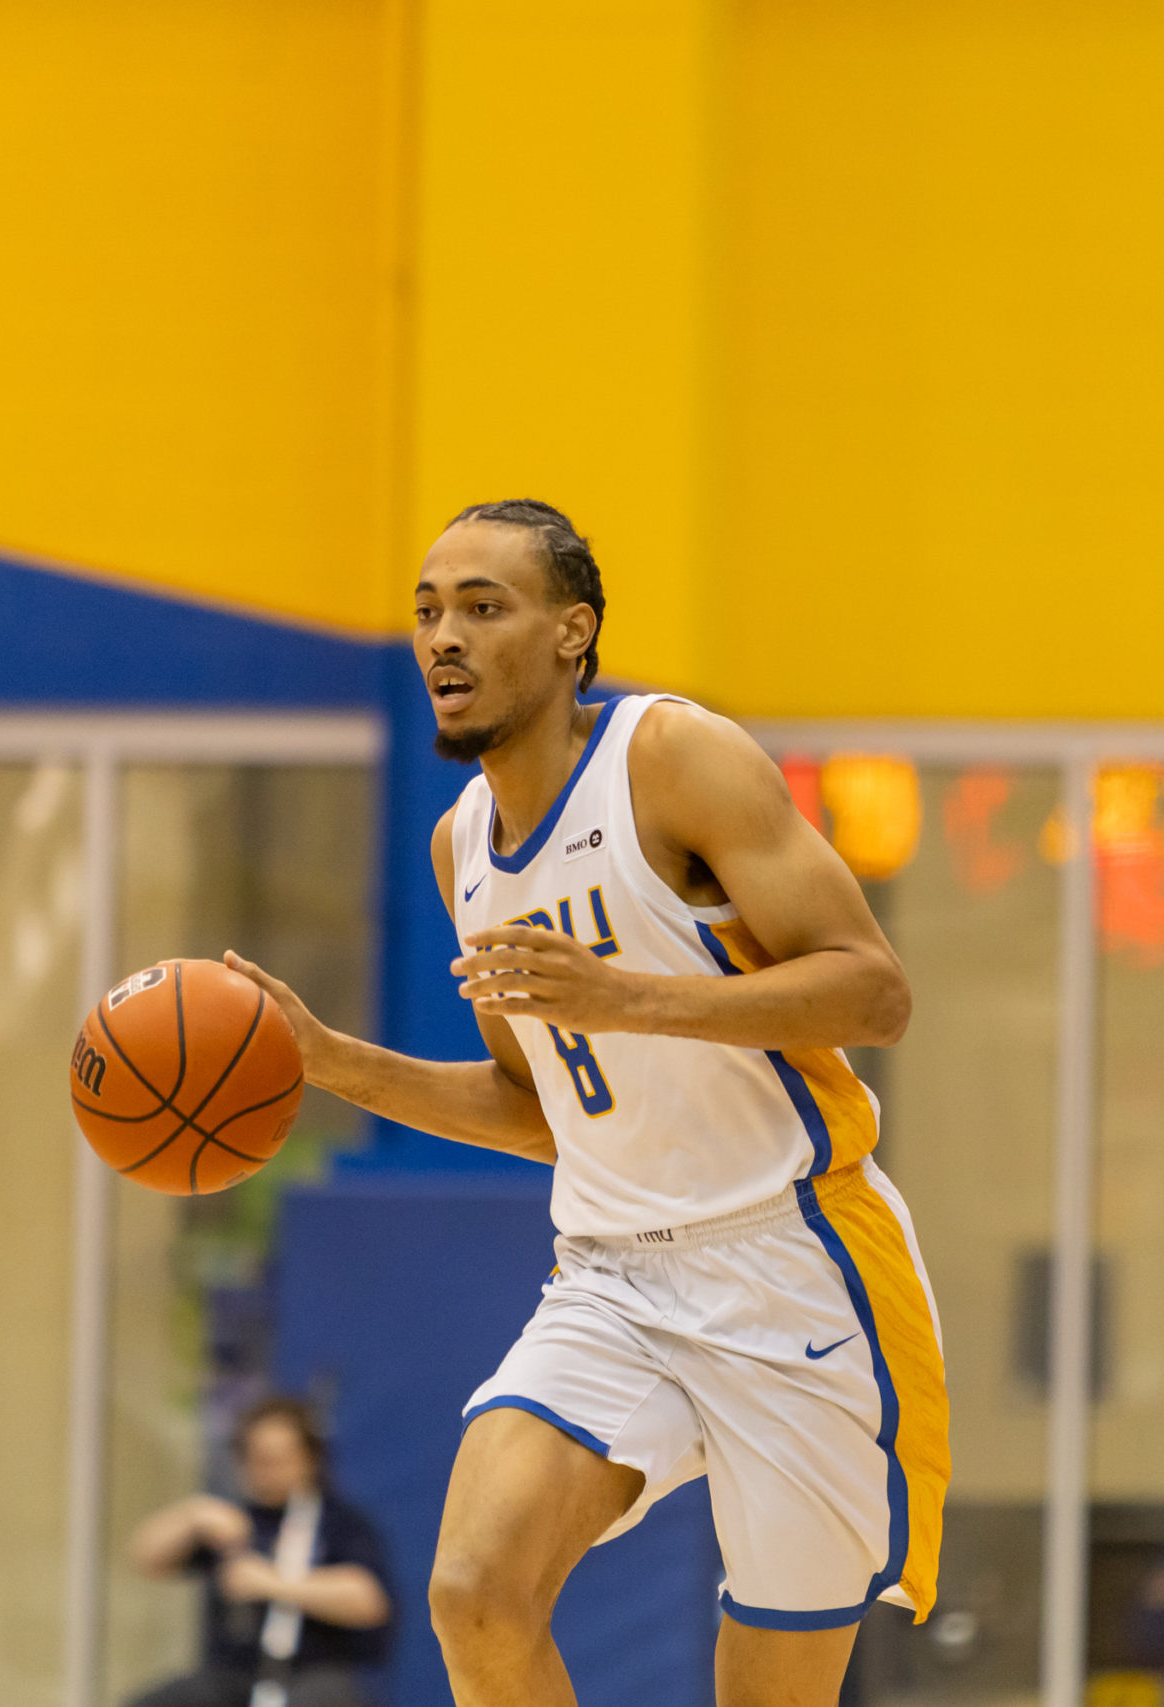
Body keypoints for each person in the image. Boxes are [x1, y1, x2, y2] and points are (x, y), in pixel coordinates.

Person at [223, 500, 947, 1707]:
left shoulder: (670, 760)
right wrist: (336, 1061)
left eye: (482, 607)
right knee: (473, 1591)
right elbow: (543, 1107)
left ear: (574, 634)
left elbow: (874, 995)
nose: (443, 638)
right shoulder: (465, 846)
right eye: (427, 610)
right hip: (613, 1276)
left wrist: (635, 999)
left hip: (796, 1264)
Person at [126, 1397, 395, 1707]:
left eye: (278, 1459)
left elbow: (368, 1600)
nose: (265, 1471)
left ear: (309, 1459)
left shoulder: (340, 1522)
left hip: (315, 1675)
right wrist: (192, 1515)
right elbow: (146, 1557)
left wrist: (271, 1582)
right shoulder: (233, 1521)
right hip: (235, 1675)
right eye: (256, 1459)